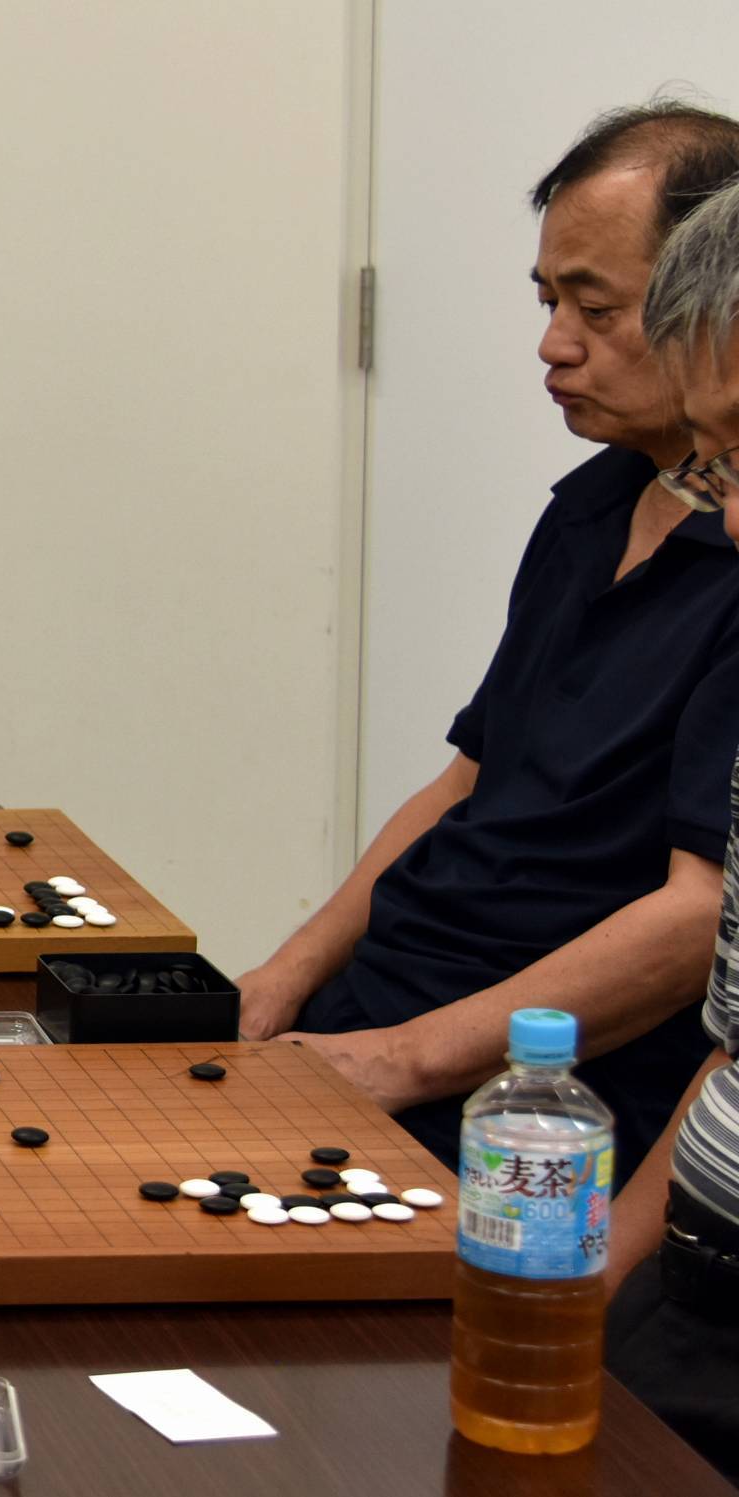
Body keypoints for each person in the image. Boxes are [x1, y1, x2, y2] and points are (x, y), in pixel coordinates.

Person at [237, 103, 739, 1182]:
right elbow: (467, 781)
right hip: (389, 1011)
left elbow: (700, 916)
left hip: (542, 1093)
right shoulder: (593, 503)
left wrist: (402, 1061)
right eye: (548, 301)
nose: (553, 344)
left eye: (595, 308)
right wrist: (286, 974)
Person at [596, 173, 739, 1489]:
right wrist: (593, 1283)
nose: (729, 515)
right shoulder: (585, 511)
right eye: (716, 462)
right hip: (689, 1282)